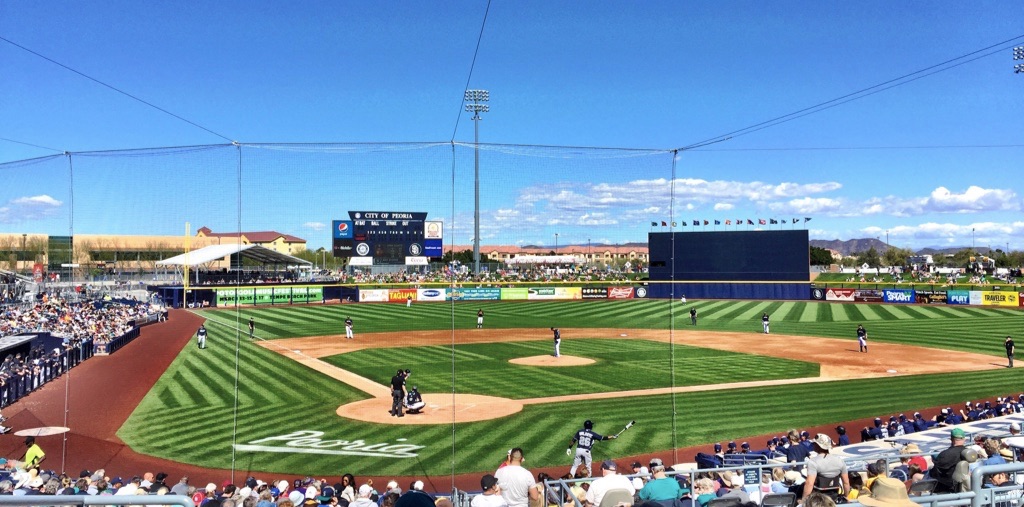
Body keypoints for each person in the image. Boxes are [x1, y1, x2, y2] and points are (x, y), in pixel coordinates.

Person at [802, 434, 849, 501]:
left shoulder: (813, 462)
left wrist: (803, 501)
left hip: (818, 500)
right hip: (834, 498)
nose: (813, 445)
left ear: (819, 446)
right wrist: (846, 496)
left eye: (815, 444)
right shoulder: (840, 461)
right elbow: (846, 483)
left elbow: (809, 484)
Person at [930, 428, 967, 494]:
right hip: (966, 487)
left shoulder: (945, 454)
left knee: (918, 476)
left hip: (947, 488)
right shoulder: (970, 454)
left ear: (951, 439)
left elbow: (934, 473)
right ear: (964, 439)